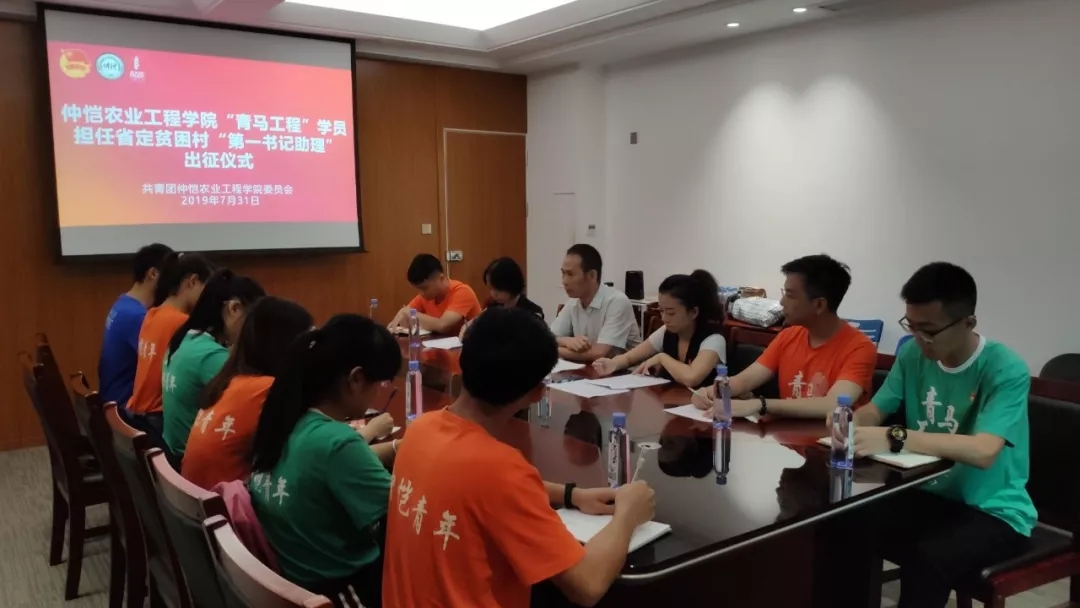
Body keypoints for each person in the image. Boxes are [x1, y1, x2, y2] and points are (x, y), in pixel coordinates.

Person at [382, 307, 656, 608]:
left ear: (462, 362)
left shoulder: (420, 430)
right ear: (538, 392)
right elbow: (587, 584)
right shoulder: (501, 469)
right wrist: (628, 514)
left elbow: (476, 489)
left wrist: (572, 495)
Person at [839, 262, 1035, 608]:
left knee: (927, 560)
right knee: (846, 522)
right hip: (931, 495)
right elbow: (877, 409)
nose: (919, 339)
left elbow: (984, 451)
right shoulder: (912, 354)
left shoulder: (1005, 368)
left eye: (928, 330)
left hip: (994, 511)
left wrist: (897, 436)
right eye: (911, 326)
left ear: (968, 323)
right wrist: (851, 424)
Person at [249, 314, 401, 607]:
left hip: (295, 580)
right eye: (380, 383)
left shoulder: (283, 418)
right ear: (356, 379)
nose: (379, 394)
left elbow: (329, 466)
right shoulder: (337, 443)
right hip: (343, 589)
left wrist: (394, 448)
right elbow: (405, 511)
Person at [692, 254, 876, 420]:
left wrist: (761, 404)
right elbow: (745, 380)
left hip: (831, 442)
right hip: (784, 437)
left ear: (819, 305)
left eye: (790, 295)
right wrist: (708, 392)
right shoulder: (789, 336)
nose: (781, 302)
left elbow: (833, 404)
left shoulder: (860, 347)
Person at [181, 296, 315, 490]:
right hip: (225, 504)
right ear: (287, 345)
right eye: (308, 344)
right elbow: (318, 446)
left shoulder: (231, 380)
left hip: (197, 501)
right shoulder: (266, 389)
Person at [161, 270, 265, 465]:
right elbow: (252, 404)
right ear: (234, 309)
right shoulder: (211, 356)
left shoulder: (186, 338)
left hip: (174, 457)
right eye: (254, 321)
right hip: (192, 466)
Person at [127, 252, 213, 437]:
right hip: (158, 420)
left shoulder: (152, 314)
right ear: (192, 281)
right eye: (206, 289)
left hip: (138, 416)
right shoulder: (181, 323)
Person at [593, 270, 726, 388]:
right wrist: (613, 364)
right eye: (661, 311)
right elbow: (629, 358)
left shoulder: (714, 339)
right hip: (671, 402)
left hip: (704, 406)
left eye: (671, 313)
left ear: (693, 312)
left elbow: (691, 378)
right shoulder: (667, 331)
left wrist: (662, 358)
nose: (664, 318)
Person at [98, 243, 173, 407]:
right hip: (125, 407)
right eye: (171, 277)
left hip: (112, 400)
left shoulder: (122, 304)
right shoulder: (137, 317)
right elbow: (168, 367)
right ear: (153, 274)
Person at [550, 244, 641, 363]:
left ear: (592, 275)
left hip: (624, 371)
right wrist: (566, 341)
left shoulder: (617, 301)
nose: (564, 281)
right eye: (563, 274)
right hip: (588, 369)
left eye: (570, 274)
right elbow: (547, 337)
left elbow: (599, 353)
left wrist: (554, 350)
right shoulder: (573, 302)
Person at [387, 254, 481, 335]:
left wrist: (411, 314)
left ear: (441, 278)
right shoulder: (426, 296)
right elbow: (404, 314)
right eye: (419, 289)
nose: (421, 293)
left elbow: (442, 325)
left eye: (424, 288)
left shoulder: (462, 292)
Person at [458, 257, 545, 337]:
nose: (493, 294)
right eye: (490, 288)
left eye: (498, 289)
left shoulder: (532, 313)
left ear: (511, 285)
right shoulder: (492, 306)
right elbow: (470, 326)